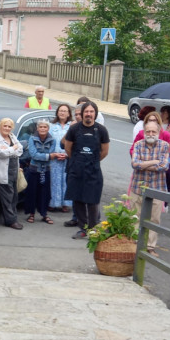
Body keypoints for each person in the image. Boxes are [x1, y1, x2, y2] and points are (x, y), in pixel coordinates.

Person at [65, 101, 110, 239]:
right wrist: (78, 161)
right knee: (77, 200)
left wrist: (91, 162)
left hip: (93, 171)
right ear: (82, 113)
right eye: (86, 111)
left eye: (91, 111)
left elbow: (104, 152)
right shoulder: (74, 129)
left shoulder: (101, 130)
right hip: (77, 170)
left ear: (95, 114)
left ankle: (93, 228)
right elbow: (68, 148)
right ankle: (83, 228)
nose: (89, 114)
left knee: (92, 201)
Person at [130, 121, 170, 256]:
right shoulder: (138, 145)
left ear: (158, 133)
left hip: (156, 188)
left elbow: (164, 166)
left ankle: (150, 246)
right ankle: (134, 243)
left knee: (154, 219)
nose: (151, 134)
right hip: (138, 188)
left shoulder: (165, 146)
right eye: (148, 131)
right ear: (144, 132)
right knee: (135, 217)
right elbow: (135, 164)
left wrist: (144, 164)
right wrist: (153, 162)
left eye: (154, 132)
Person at [24, 120, 60, 224]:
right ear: (37, 128)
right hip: (34, 169)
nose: (43, 129)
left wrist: (47, 156)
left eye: (45, 127)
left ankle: (44, 214)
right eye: (41, 127)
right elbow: (33, 155)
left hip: (46, 170)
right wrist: (48, 156)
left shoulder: (52, 140)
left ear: (48, 129)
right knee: (32, 192)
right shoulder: (32, 138)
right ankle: (31, 214)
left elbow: (51, 155)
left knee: (45, 193)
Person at [0, 117, 24, 229]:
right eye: (4, 126)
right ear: (0, 126)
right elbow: (1, 153)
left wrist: (11, 149)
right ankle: (10, 221)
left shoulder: (12, 137)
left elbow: (21, 150)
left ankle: (13, 217)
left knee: (14, 196)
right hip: (3, 172)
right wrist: (13, 149)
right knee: (7, 198)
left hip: (14, 171)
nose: (7, 128)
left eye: (9, 126)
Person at [48, 104, 72, 213]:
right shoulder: (52, 126)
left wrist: (67, 154)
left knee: (66, 180)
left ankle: (65, 204)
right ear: (57, 112)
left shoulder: (71, 126)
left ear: (68, 114)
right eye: (60, 111)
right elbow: (48, 143)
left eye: (65, 111)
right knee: (54, 180)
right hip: (54, 158)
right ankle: (54, 203)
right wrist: (53, 154)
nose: (62, 113)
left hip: (68, 158)